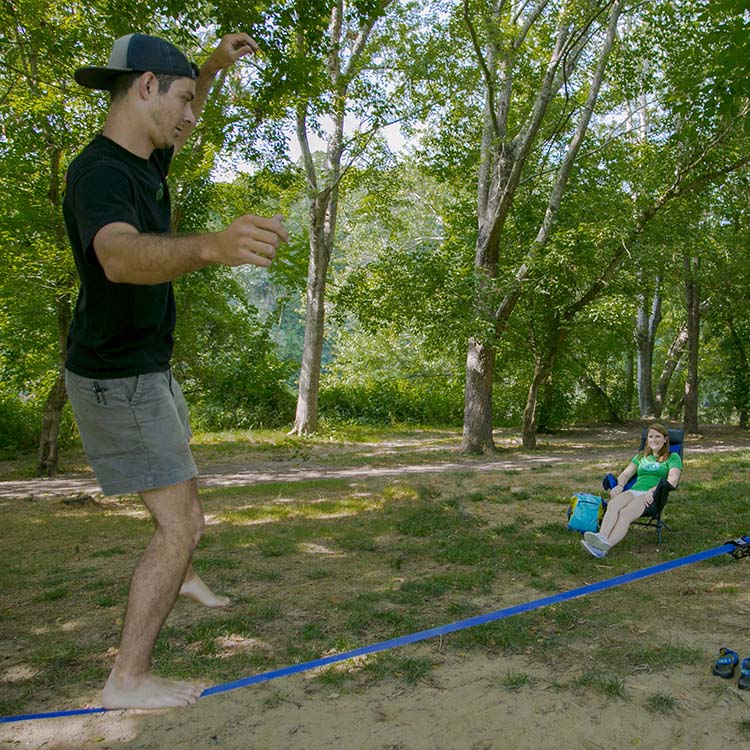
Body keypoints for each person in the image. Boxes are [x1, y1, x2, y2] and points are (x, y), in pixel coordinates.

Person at [63, 32, 288, 710]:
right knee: (180, 525)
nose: (194, 117)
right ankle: (126, 680)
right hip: (118, 378)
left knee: (185, 505)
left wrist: (209, 68)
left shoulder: (143, 159)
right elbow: (120, 258)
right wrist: (215, 247)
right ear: (145, 87)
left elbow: (183, 112)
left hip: (143, 368)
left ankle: (181, 573)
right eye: (184, 99)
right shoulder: (100, 173)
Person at [581, 423, 682, 558]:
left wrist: (653, 490)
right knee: (613, 504)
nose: (654, 440)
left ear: (665, 439)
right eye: (650, 436)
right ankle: (600, 538)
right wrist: (620, 485)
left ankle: (604, 548)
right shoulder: (641, 456)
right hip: (634, 491)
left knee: (625, 513)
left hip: (653, 495)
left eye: (658, 436)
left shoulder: (673, 457)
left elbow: (672, 481)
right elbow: (626, 474)